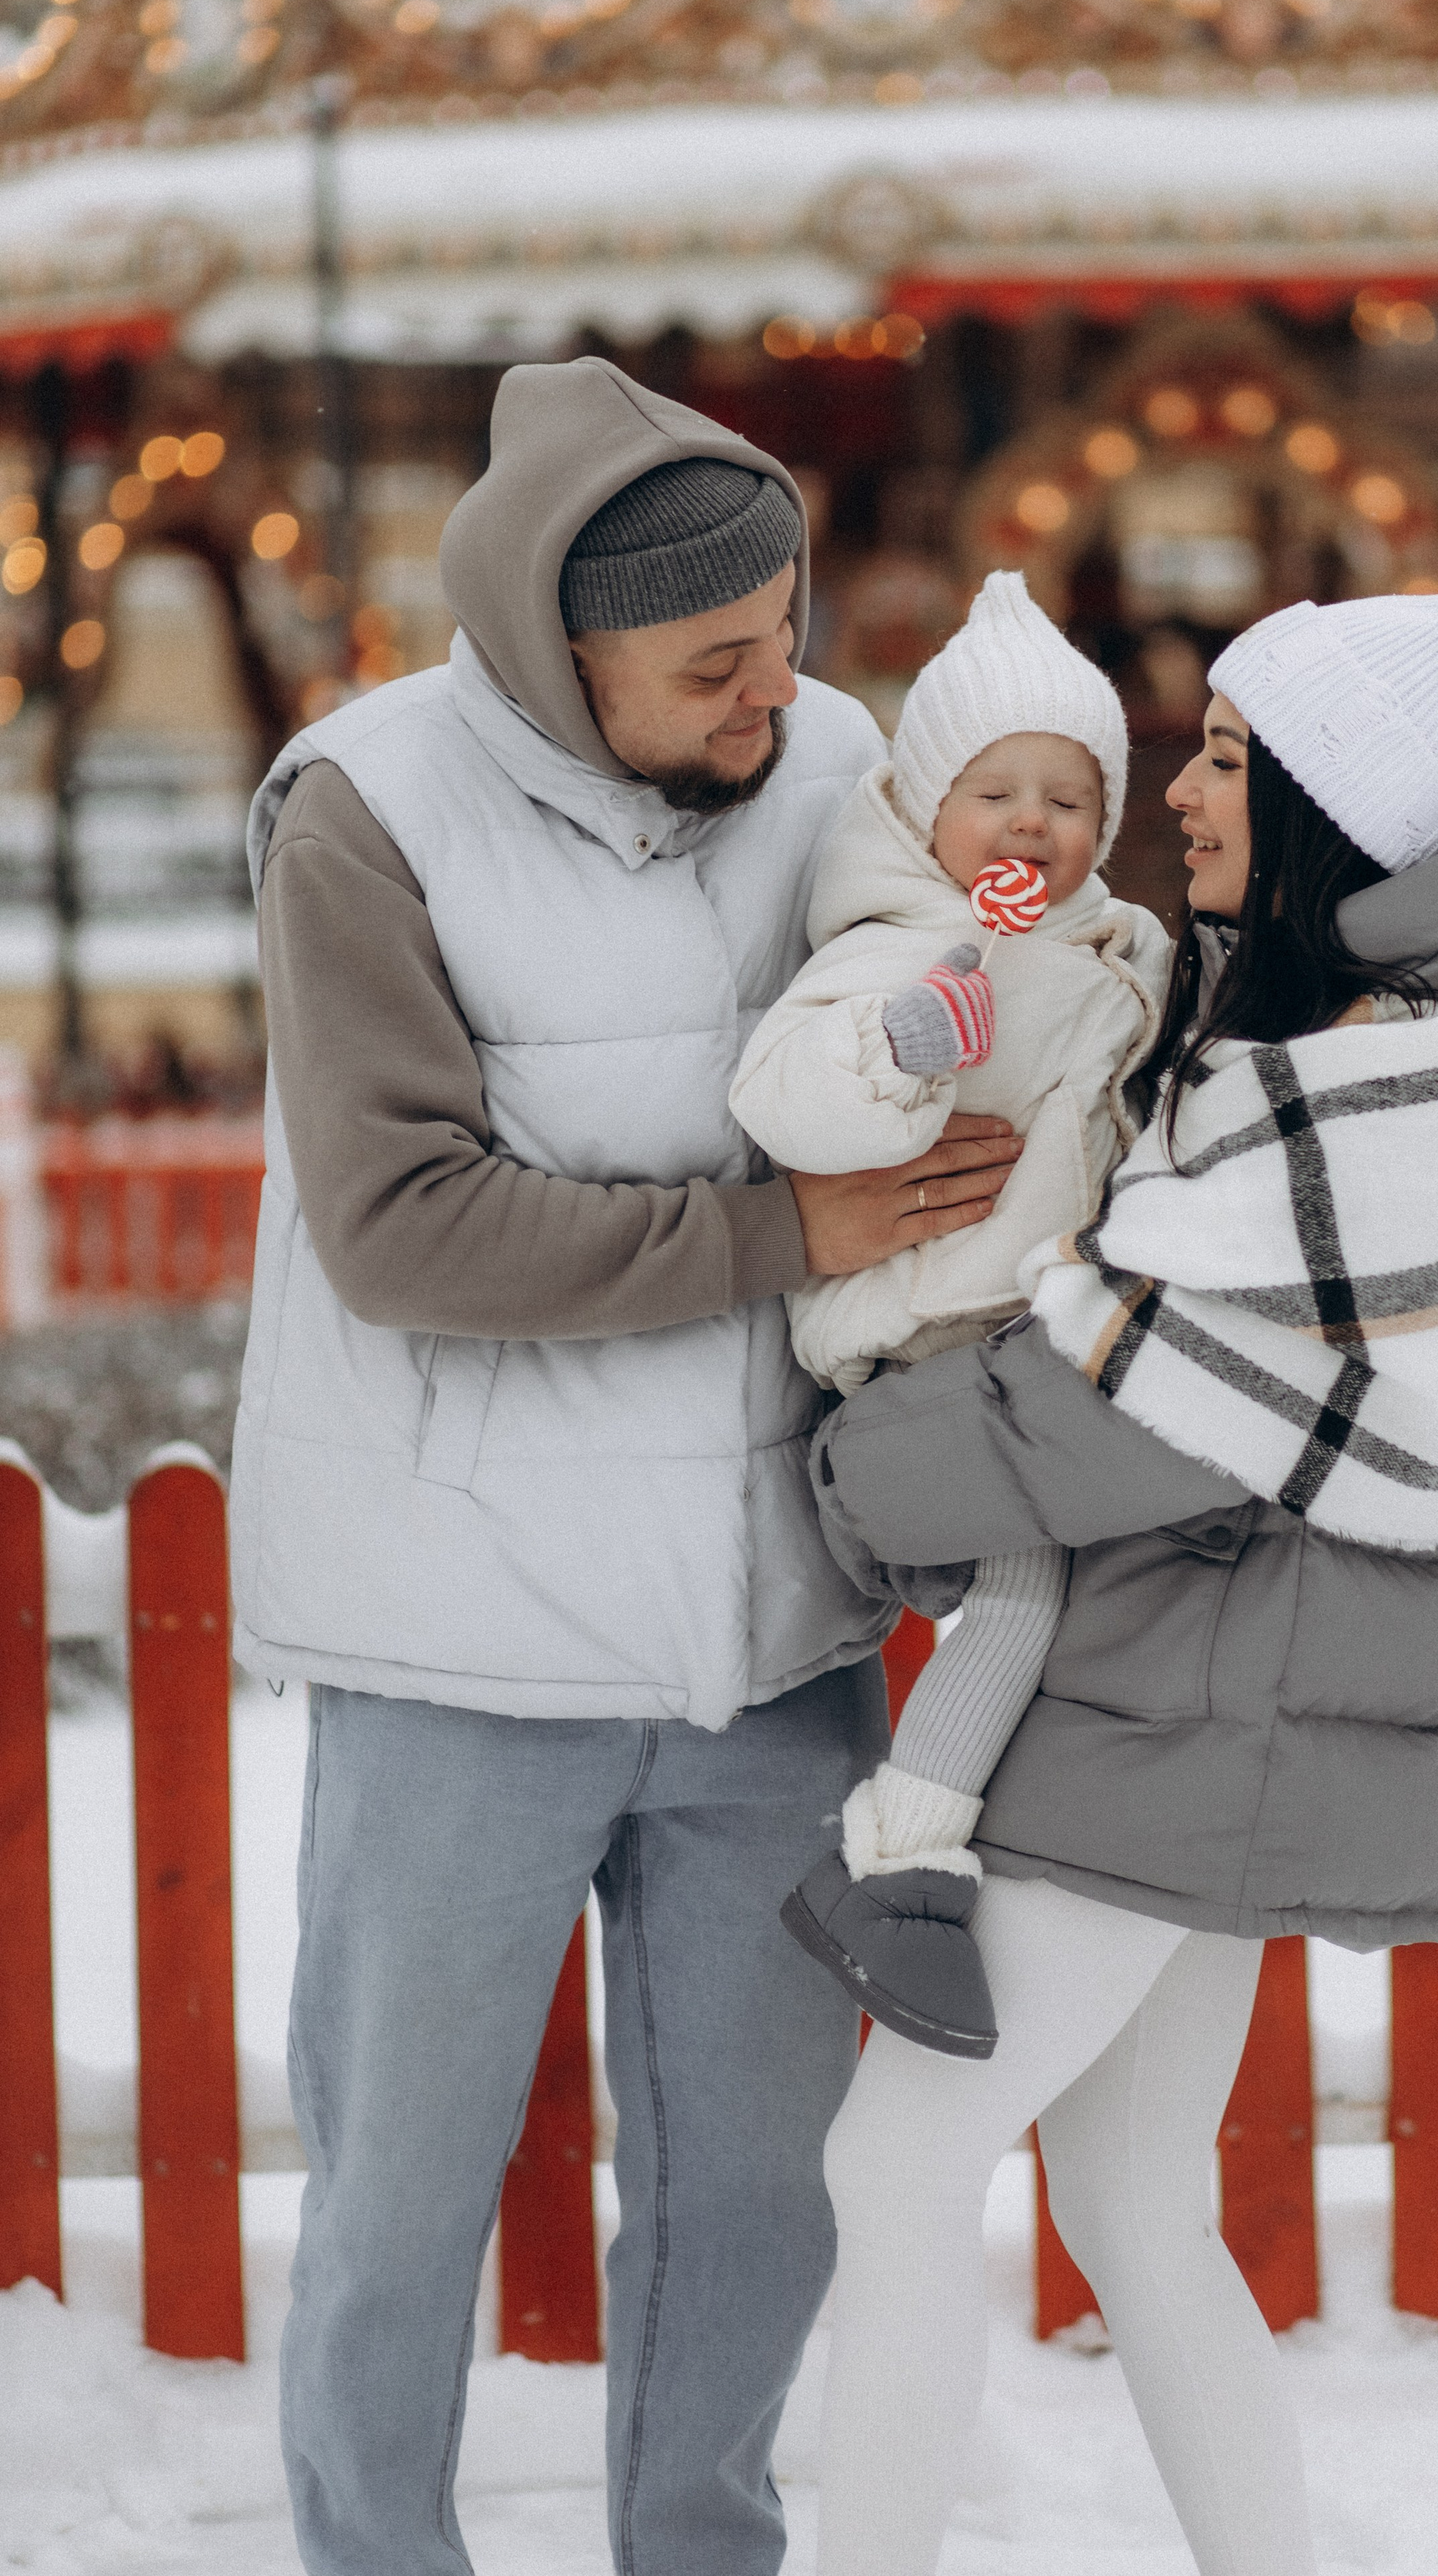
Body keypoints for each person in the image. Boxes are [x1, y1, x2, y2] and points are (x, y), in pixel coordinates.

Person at [231, 357, 1020, 2576]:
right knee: (405, 2187)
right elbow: (401, 1227)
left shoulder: (834, 759)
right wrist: (782, 1234)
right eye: (716, 662)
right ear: (555, 652)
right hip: (457, 1632)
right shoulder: (362, 810)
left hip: (769, 1633)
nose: (779, 690)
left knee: (754, 2193)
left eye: (785, 635)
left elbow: (962, 990)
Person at [801, 579, 1438, 2576]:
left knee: (899, 2165)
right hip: (1215, 1689)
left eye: (1232, 764)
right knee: (1130, 2196)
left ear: (1335, 809)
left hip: (1205, 1709)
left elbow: (1113, 1409)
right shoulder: (1339, 1034)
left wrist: (842, 1462)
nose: (1180, 793)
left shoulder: (1378, 1084)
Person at [729, 571, 1170, 2058]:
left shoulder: (1110, 962)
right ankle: (900, 1869)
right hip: (922, 1352)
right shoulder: (894, 950)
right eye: (996, 794)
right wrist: (909, 1044)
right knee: (1034, 1586)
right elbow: (782, 1091)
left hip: (1028, 1348)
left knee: (1099, 1587)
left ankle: (1008, 1831)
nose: (1031, 826)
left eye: (1067, 801)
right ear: (926, 814)